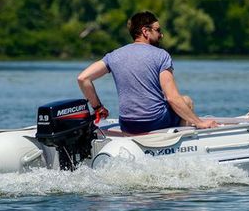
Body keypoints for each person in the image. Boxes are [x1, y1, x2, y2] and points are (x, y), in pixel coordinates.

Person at [77, 11, 217, 134]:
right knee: (186, 101)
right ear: (145, 31)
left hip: (128, 125)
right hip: (153, 122)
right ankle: (177, 149)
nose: (161, 35)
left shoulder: (114, 56)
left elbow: (83, 78)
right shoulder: (161, 55)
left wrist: (98, 107)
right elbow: (172, 97)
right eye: (158, 30)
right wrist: (199, 122)